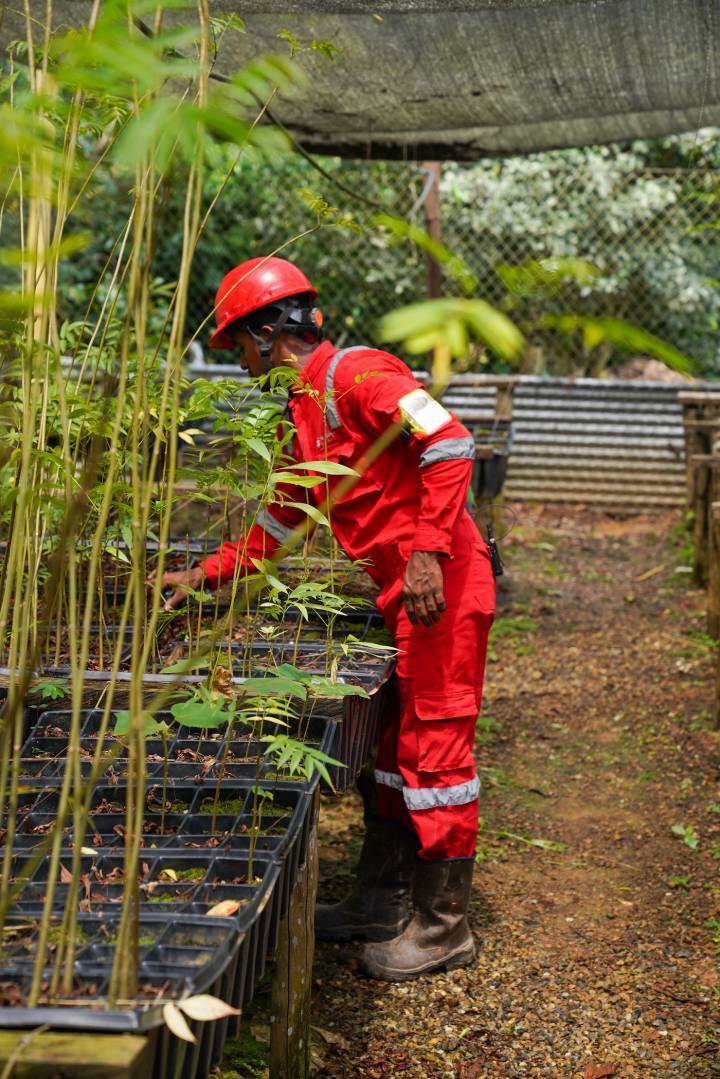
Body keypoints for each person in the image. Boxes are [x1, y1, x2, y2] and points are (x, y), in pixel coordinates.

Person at [156, 256, 496, 981]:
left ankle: (445, 927)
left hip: (444, 587)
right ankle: (380, 901)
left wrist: (430, 552)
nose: (238, 362)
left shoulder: (359, 375)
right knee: (395, 755)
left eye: (237, 347)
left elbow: (450, 440)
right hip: (404, 595)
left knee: (435, 754)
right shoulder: (303, 412)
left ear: (266, 332)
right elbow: (278, 524)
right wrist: (202, 576)